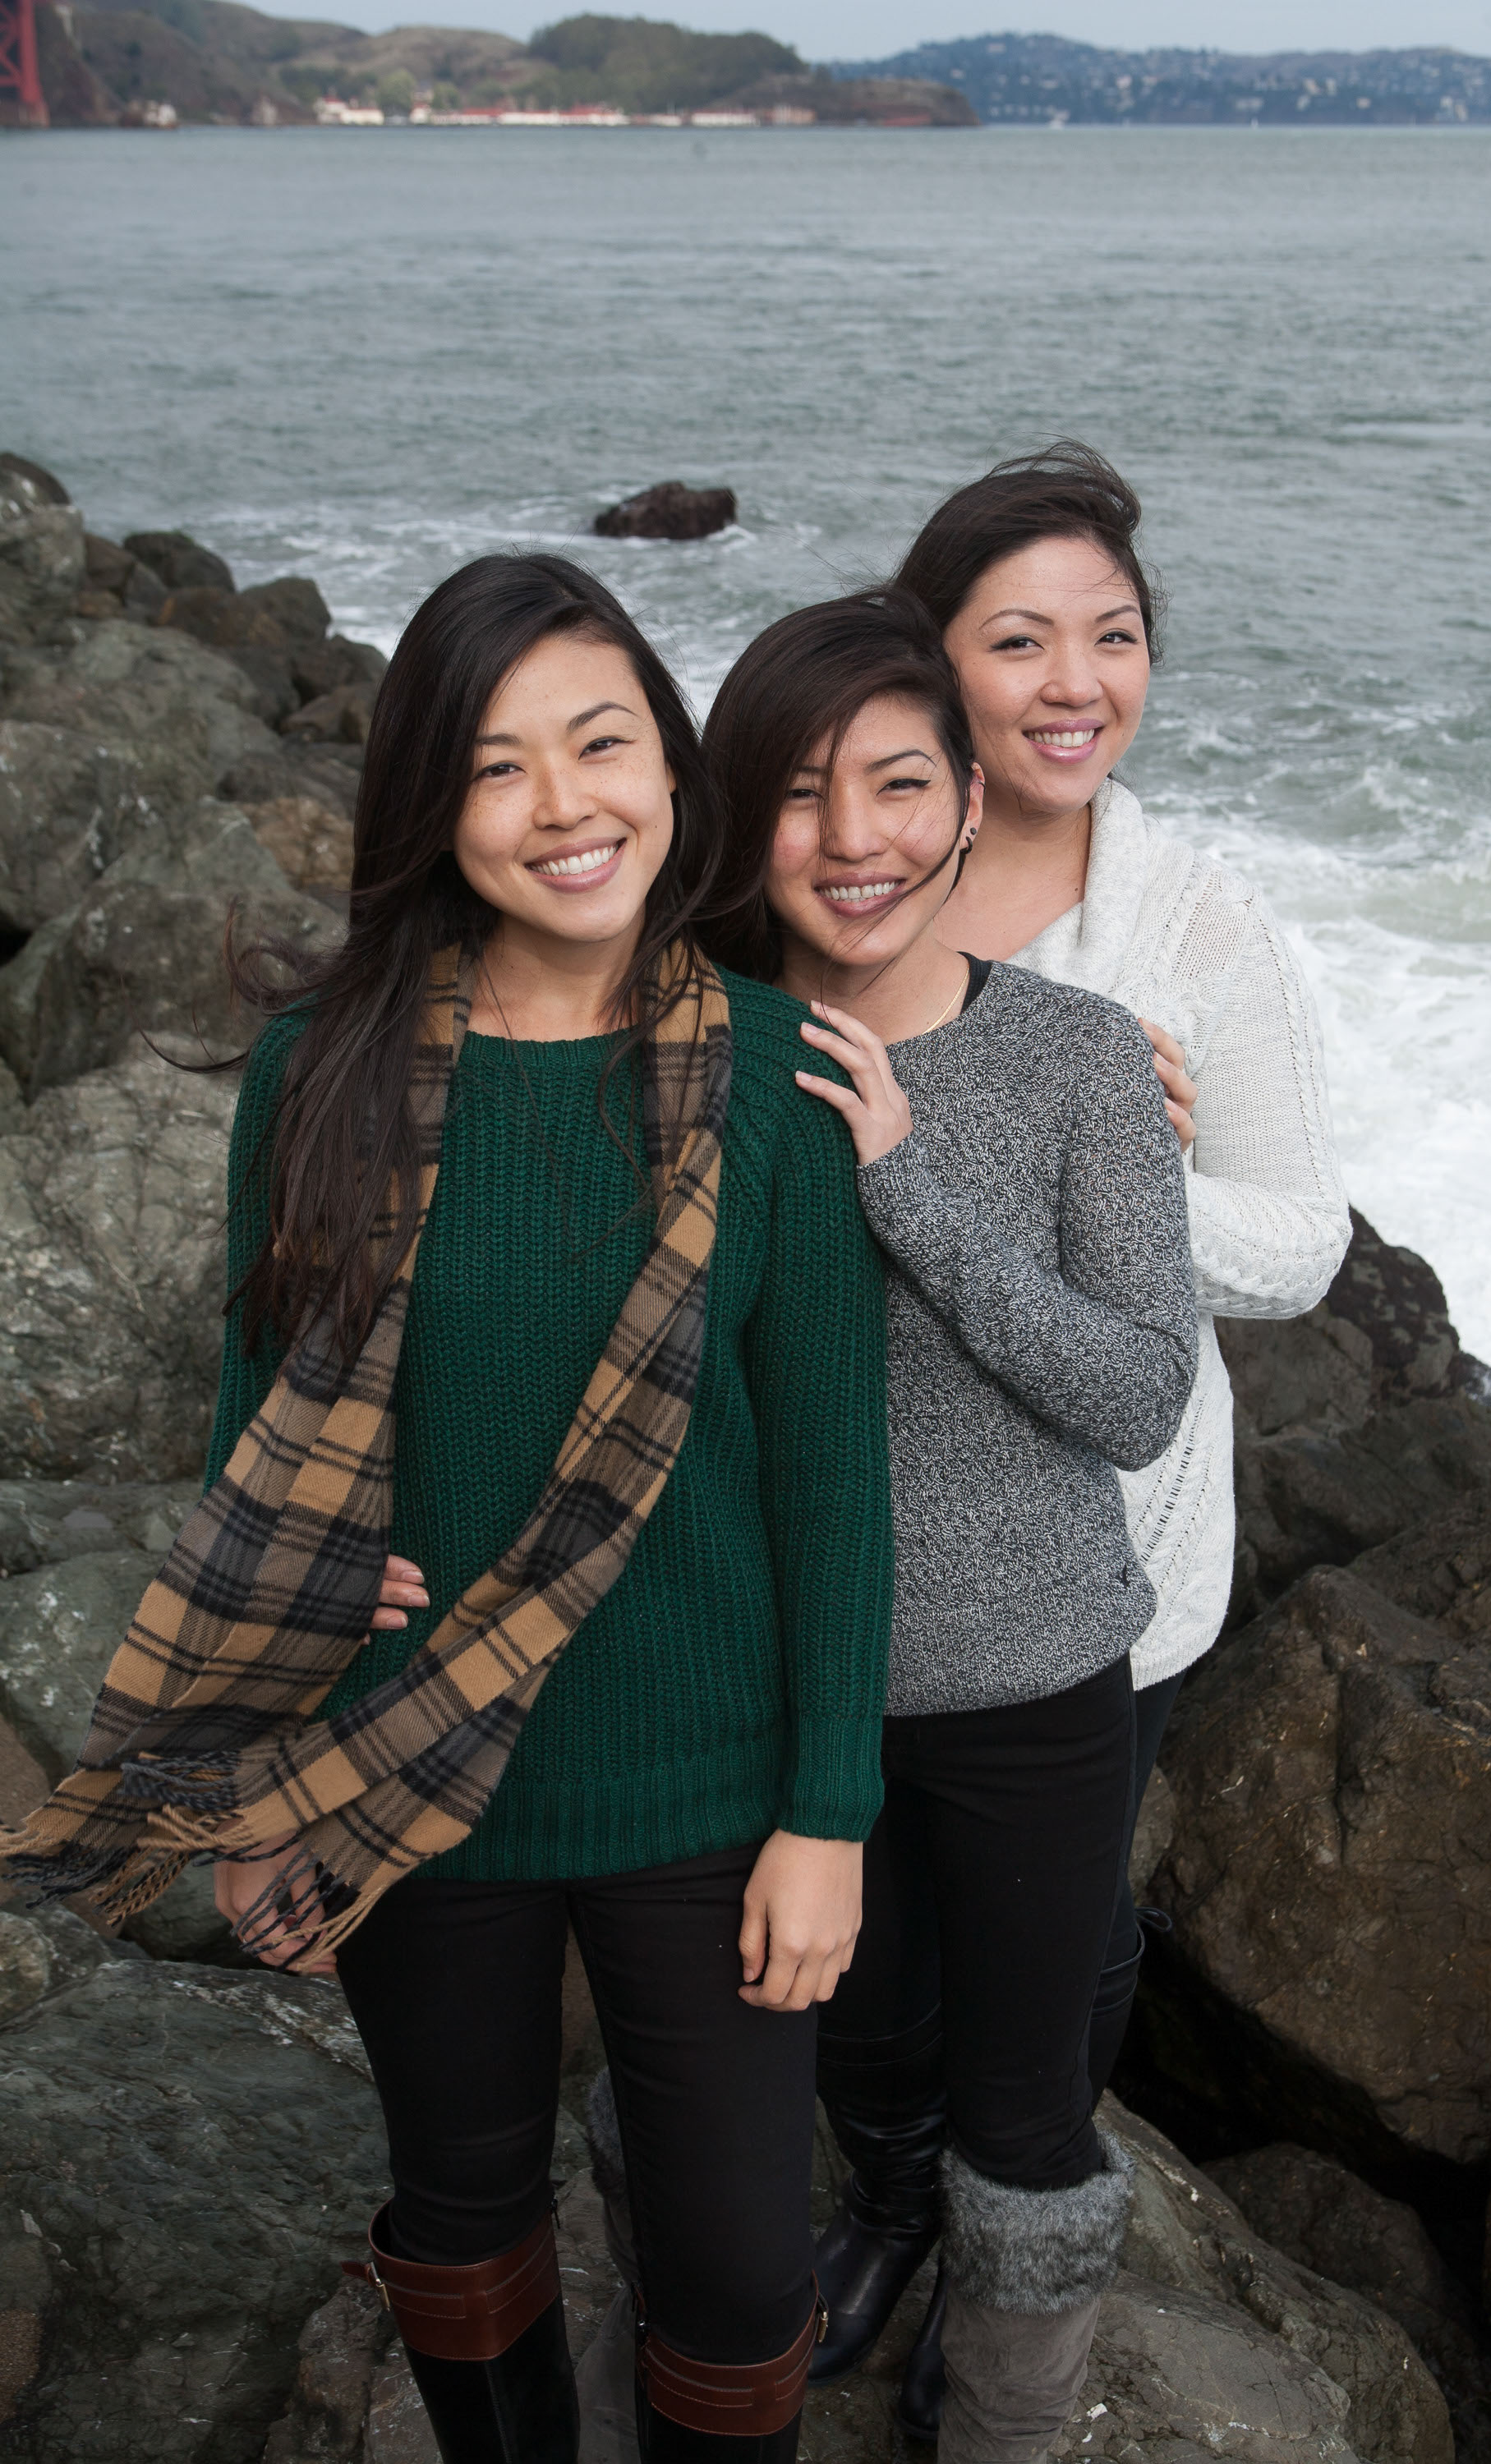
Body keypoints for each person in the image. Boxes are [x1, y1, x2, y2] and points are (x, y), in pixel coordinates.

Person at [0, 553, 895, 2464]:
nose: (566, 806)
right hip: (405, 1757)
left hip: (704, 1783)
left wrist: (829, 1817)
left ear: (672, 761)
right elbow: (264, 1458)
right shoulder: (310, 1074)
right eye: (500, 767)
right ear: (432, 804)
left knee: (740, 2277)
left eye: (603, 743)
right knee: (462, 2206)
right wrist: (264, 1776)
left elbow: (832, 1481)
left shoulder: (767, 1075)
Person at [826, 444, 1352, 2432]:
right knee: (862, 1914)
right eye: (1018, 638)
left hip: (1108, 1536)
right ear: (931, 660)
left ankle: (1009, 2215)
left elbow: (1304, 1247)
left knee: (1049, 1931)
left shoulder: (1196, 925)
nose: (1073, 682)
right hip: (848, 1528)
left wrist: (1112, 1171)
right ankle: (884, 2187)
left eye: (1112, 638)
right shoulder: (847, 862)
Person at [698, 588, 1199, 2464]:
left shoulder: (1077, 1058)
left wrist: (904, 1178)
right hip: (778, 1683)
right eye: (804, 794)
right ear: (740, 819)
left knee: (1025, 2092)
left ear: (971, 805)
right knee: (859, 2040)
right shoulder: (702, 1052)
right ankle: (891, 2209)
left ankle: (1009, 2403)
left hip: (1031, 1674)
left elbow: (1136, 1391)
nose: (856, 839)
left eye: (900, 786)